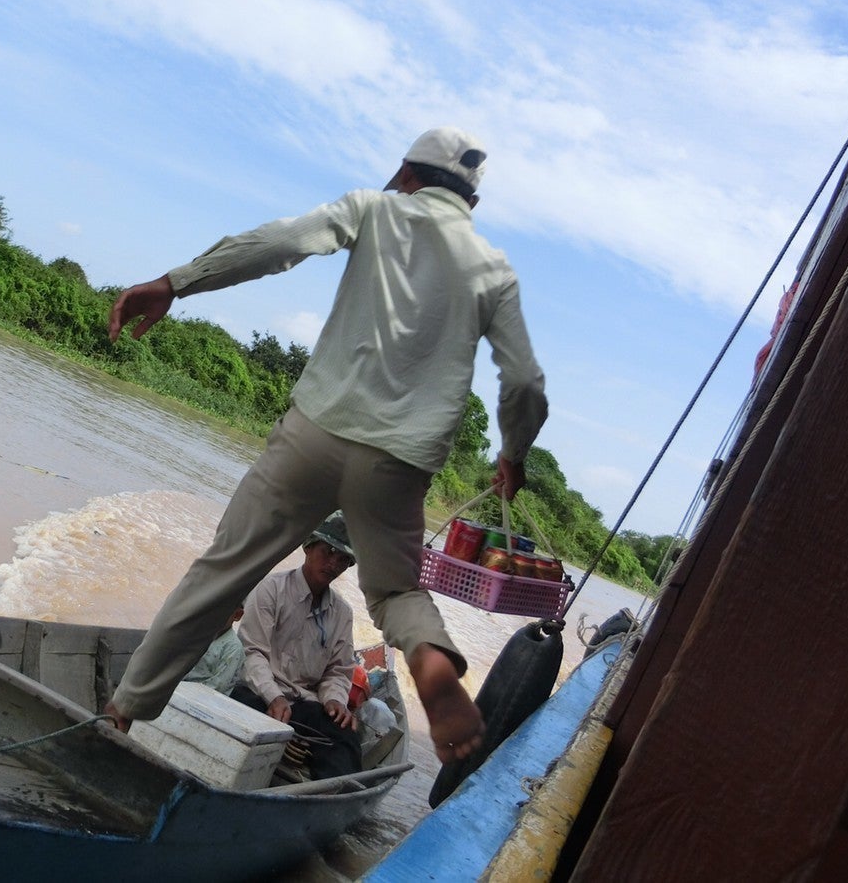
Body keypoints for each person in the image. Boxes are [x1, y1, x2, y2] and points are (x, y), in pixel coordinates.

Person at [103, 126, 548, 763]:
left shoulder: (373, 207)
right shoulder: (493, 270)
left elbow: (279, 243)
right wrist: (512, 456)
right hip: (398, 462)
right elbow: (525, 381)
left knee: (223, 575)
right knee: (397, 594)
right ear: (471, 205)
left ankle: (123, 712)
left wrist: (176, 283)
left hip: (315, 430)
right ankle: (428, 657)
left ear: (408, 174)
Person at [229, 514, 362, 780]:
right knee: (238, 708)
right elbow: (252, 652)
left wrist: (335, 699)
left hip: (304, 705)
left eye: (343, 559)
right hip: (259, 693)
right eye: (329, 552)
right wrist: (273, 696)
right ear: (308, 547)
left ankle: (329, 799)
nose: (334, 563)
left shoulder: (342, 613)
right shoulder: (272, 589)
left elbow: (338, 671)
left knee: (345, 735)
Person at [182, 605, 245, 694]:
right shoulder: (196, 632)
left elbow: (217, 686)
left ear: (237, 615)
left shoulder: (233, 647)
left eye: (222, 610)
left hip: (202, 697)